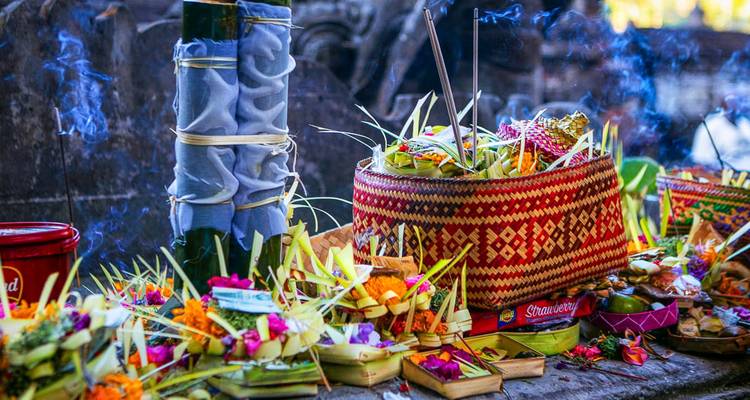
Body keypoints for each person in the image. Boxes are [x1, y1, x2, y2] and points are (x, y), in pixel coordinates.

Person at [691, 95, 750, 171]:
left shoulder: (744, 123)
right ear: (723, 107)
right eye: (732, 106)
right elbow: (700, 158)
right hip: (725, 176)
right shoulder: (711, 126)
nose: (736, 109)